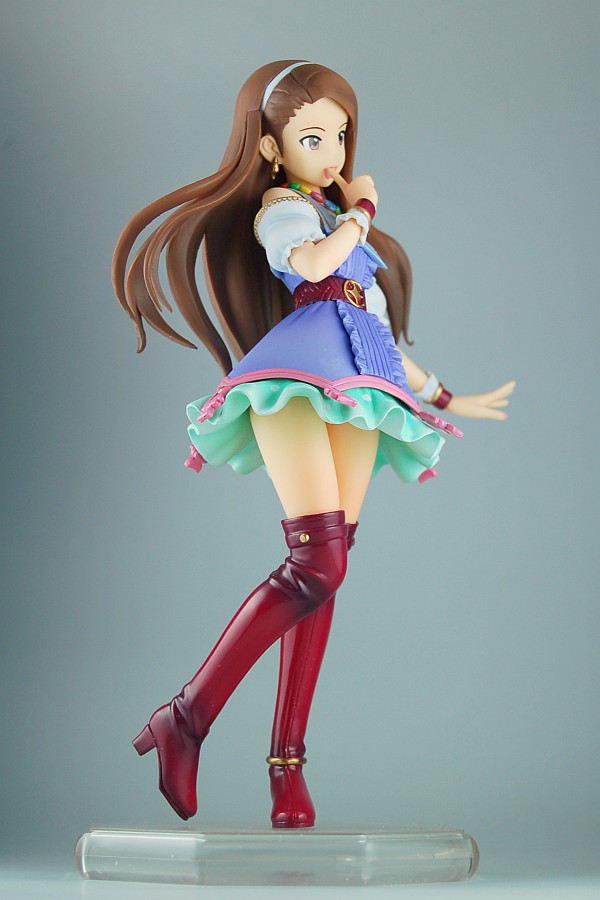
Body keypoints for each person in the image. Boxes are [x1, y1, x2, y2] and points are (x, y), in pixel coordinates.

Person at [112, 60, 515, 827]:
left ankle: (286, 767)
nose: (332, 153)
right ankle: (185, 718)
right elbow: (313, 267)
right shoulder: (285, 212)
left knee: (327, 576)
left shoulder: (337, 220)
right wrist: (360, 211)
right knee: (317, 565)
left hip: (360, 384)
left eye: (340, 136)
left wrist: (443, 395)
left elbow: (374, 326)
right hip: (297, 383)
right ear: (270, 148)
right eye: (311, 138)